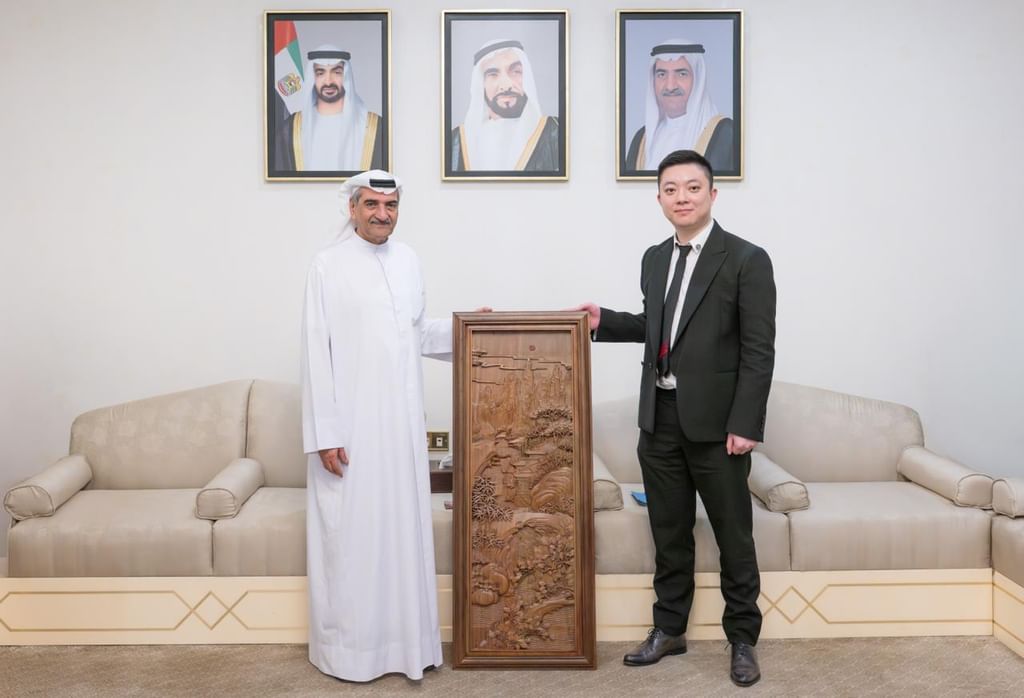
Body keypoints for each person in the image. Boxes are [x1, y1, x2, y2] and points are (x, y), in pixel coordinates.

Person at [575, 149, 775, 687]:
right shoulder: (655, 258)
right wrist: (603, 321)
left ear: (712, 194)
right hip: (659, 418)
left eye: (692, 188)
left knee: (734, 536)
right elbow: (658, 326)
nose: (681, 197)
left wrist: (746, 423)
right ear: (660, 198)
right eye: (670, 189)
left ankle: (742, 639)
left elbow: (759, 350)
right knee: (669, 532)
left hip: (719, 426)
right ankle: (669, 629)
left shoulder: (746, 259)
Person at [300, 169, 447, 682]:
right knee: (353, 541)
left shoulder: (408, 260)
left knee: (402, 535)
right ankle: (351, 653)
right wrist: (325, 434)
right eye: (372, 204)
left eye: (391, 205)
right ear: (352, 208)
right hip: (351, 432)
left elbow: (416, 332)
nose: (382, 214)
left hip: (401, 429)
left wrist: (471, 329)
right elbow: (315, 351)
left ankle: (407, 647)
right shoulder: (327, 265)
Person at [625, 40, 736, 174]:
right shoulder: (641, 139)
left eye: (681, 74)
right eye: (662, 74)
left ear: (698, 79)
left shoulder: (726, 134)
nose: (670, 86)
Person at [450, 39, 559, 172]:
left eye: (516, 71)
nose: (506, 85)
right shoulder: (456, 141)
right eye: (493, 74)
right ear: (481, 84)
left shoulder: (556, 131)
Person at [276, 45, 385, 172]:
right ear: (313, 78)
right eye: (320, 73)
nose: (328, 81)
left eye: (337, 72)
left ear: (346, 76)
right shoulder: (290, 129)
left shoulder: (375, 127)